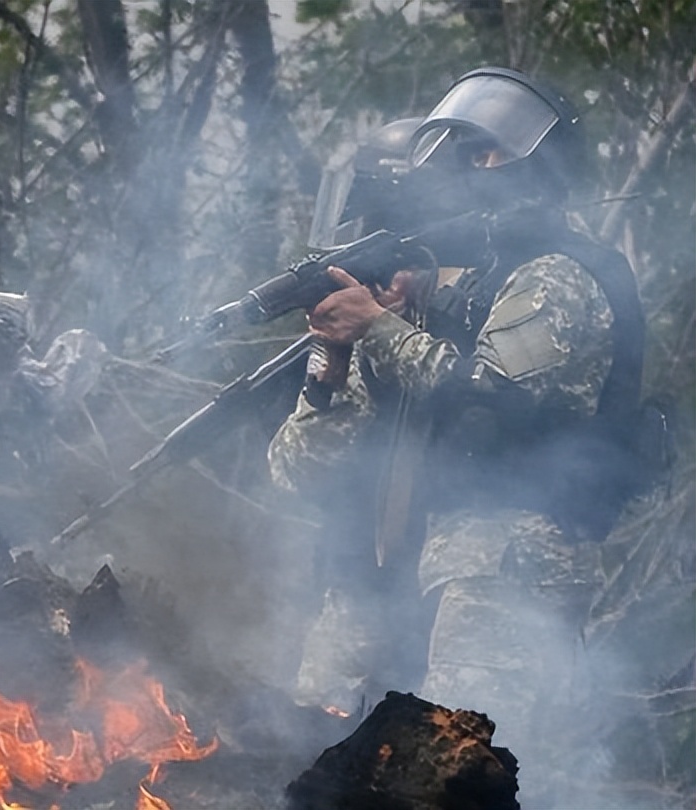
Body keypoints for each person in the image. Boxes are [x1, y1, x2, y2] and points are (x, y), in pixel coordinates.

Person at [268, 67, 646, 802]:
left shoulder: (559, 277)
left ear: (539, 167)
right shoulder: (455, 301)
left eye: (487, 155)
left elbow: (491, 402)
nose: (471, 173)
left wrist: (383, 331)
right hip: (411, 575)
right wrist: (336, 361)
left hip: (507, 570)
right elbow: (302, 473)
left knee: (457, 785)